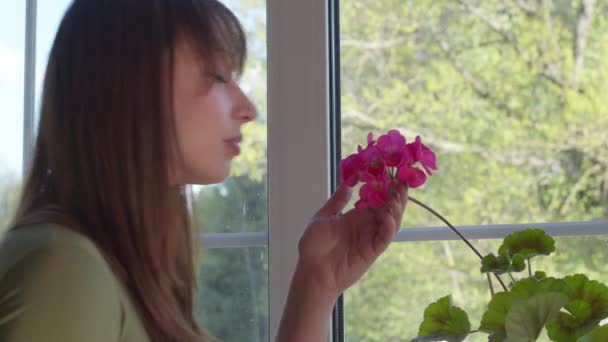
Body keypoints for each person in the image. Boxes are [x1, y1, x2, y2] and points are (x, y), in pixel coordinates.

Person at [0, 0, 408, 341]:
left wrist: (318, 282)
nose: (247, 108)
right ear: (131, 86)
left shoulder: (119, 272)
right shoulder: (66, 270)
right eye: (218, 76)